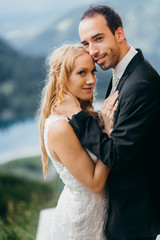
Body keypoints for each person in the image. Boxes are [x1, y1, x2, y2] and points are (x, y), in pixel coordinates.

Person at [54, 5, 160, 240]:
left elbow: (117, 157)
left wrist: (78, 117)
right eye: (86, 43)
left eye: (98, 39)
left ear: (119, 34)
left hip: (133, 215)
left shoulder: (140, 83)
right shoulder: (123, 73)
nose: (92, 50)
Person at [39, 44, 118, 239]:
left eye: (93, 71)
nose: (91, 80)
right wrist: (108, 132)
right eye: (81, 73)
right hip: (82, 224)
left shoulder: (81, 116)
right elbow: (95, 183)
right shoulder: (60, 127)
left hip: (99, 216)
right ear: (61, 76)